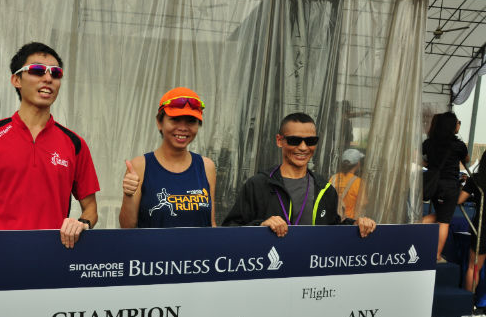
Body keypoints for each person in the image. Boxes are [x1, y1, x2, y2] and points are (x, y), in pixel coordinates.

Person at [0, 42, 99, 248]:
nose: (48, 78)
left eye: (56, 73)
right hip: (0, 255)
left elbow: (91, 208)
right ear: (16, 80)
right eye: (37, 70)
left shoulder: (75, 143)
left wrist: (82, 223)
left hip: (56, 254)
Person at [222, 112, 376, 237]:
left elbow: (333, 229)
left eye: (311, 141)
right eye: (294, 140)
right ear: (279, 141)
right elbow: (229, 230)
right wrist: (260, 226)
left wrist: (355, 225)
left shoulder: (324, 189)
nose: (303, 147)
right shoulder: (258, 184)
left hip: (309, 265)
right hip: (271, 265)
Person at [119, 87, 216, 228]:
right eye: (175, 120)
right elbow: (127, 228)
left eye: (191, 121)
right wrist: (128, 195)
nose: (183, 128)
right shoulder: (140, 166)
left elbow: (211, 224)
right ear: (159, 123)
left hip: (199, 244)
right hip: (154, 244)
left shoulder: (206, 167)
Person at [422, 111, 469, 262]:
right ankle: (436, 255)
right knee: (444, 222)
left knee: (442, 214)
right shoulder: (458, 145)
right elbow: (467, 159)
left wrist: (430, 165)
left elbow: (419, 156)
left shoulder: (429, 143)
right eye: (457, 122)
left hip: (433, 185)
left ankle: (418, 223)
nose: (459, 125)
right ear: (452, 126)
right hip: (449, 186)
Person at [457, 150, 486, 296]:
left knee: (473, 267)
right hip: (481, 226)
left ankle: (468, 303)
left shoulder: (477, 179)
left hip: (482, 226)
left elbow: (459, 200)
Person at [329, 148, 365, 219]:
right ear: (358, 164)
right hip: (349, 221)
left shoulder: (333, 178)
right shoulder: (359, 182)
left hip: (332, 220)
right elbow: (362, 204)